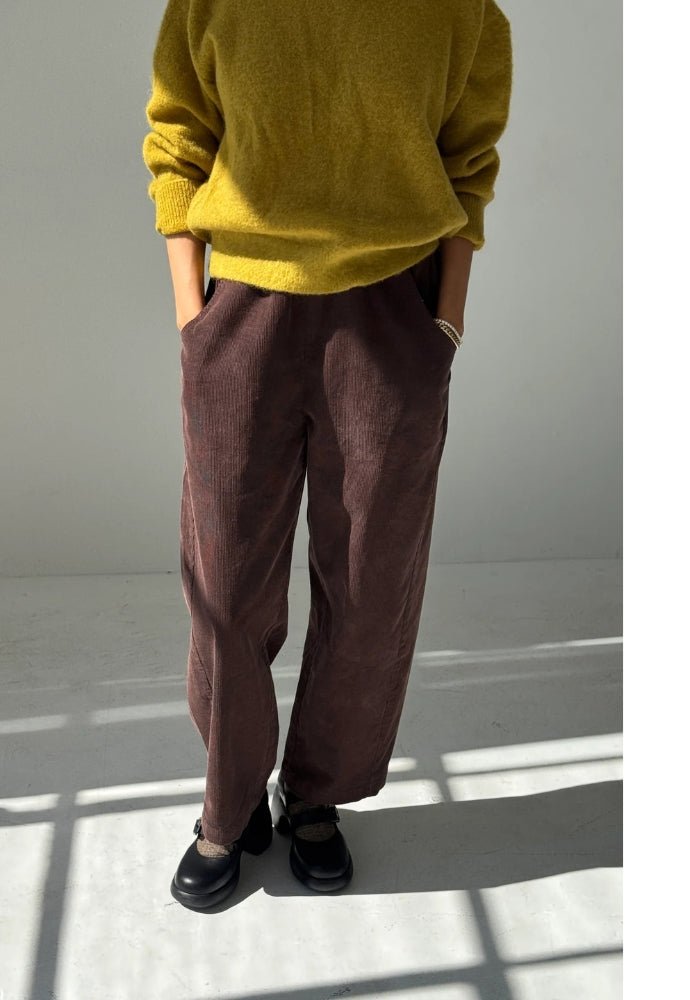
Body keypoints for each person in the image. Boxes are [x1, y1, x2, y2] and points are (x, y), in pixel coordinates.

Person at [142, 0, 513, 910]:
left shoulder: (463, 11)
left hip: (392, 312)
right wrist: (194, 319)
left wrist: (446, 320)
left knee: (370, 579)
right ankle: (230, 805)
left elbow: (468, 164)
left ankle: (316, 794)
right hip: (244, 309)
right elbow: (177, 145)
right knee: (227, 581)